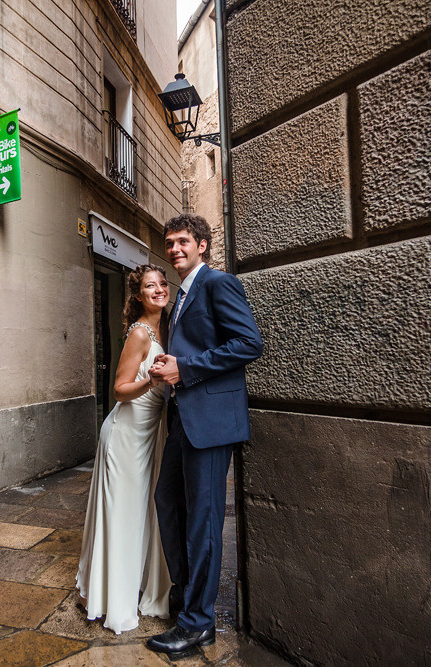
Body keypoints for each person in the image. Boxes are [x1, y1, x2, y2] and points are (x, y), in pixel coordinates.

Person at [146, 214, 263, 658]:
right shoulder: (181, 295)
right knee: (168, 503)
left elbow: (249, 343)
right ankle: (186, 599)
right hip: (183, 419)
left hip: (211, 423)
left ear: (202, 245)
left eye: (182, 241)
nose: (174, 249)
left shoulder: (218, 283)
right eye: (169, 243)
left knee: (203, 523)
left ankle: (197, 624)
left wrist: (186, 368)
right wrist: (169, 369)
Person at [76, 264, 174, 634]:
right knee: (125, 514)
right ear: (138, 295)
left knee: (144, 512)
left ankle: (140, 585)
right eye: (150, 286)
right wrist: (151, 381)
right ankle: (113, 597)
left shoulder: (167, 327)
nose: (159, 289)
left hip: (151, 434)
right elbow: (119, 389)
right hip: (126, 436)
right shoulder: (141, 333)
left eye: (162, 283)